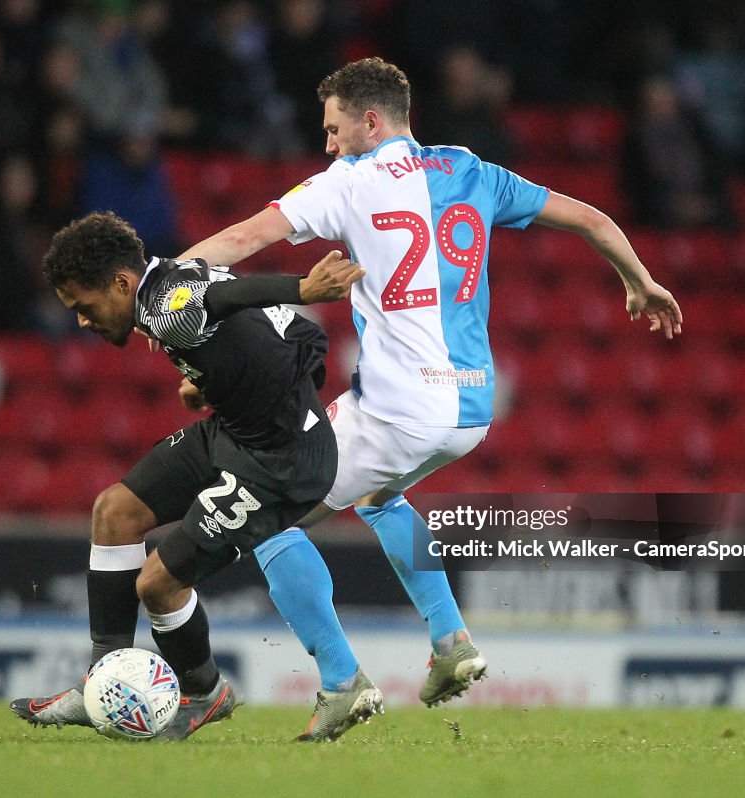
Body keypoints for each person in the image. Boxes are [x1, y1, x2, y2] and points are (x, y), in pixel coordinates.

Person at [176, 57, 683, 707]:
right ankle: (451, 642)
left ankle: (339, 681)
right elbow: (590, 218)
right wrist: (638, 279)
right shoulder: (472, 169)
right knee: (380, 497)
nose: (328, 144)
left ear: (368, 121)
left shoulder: (350, 181)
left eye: (333, 130)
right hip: (470, 409)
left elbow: (249, 235)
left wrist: (173, 275)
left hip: (400, 407)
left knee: (263, 517)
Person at [10, 211, 382, 741]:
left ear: (121, 283)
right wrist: (215, 382)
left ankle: (206, 692)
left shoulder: (166, 309)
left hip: (279, 462)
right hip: (232, 430)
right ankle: (101, 685)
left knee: (158, 585)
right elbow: (301, 339)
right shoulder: (177, 273)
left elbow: (223, 302)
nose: (83, 322)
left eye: (86, 307)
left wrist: (303, 287)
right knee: (114, 512)